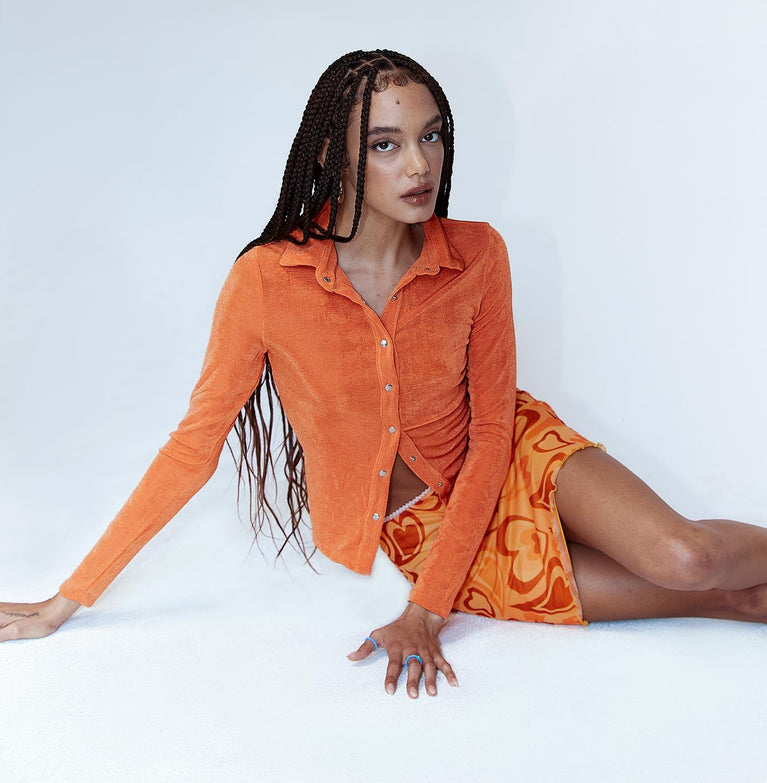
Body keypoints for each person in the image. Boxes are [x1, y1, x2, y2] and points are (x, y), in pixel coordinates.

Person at [3, 48, 767, 698]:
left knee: (688, 559)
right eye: (385, 144)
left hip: (513, 457)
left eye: (430, 136)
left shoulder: (477, 253)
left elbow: (492, 430)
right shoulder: (266, 279)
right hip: (424, 527)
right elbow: (193, 446)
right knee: (732, 601)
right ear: (332, 156)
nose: (419, 164)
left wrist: (425, 612)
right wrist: (66, 600)